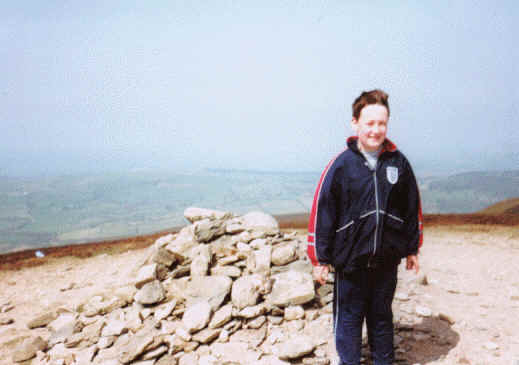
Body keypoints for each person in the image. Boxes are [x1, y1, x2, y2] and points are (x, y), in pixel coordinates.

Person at [307, 89, 423, 365]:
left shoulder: (398, 163)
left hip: (386, 261)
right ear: (355, 123)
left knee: (382, 317)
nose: (376, 130)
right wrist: (319, 258)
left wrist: (412, 248)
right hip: (350, 263)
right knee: (349, 319)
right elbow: (322, 214)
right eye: (369, 123)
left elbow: (410, 207)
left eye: (382, 123)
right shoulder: (341, 166)